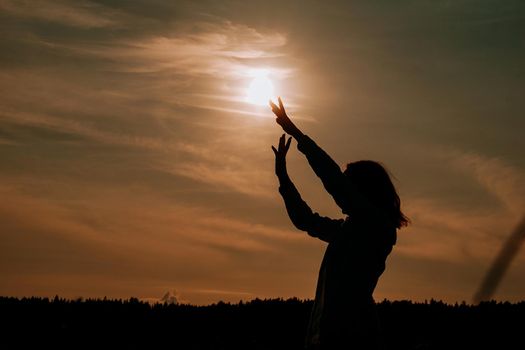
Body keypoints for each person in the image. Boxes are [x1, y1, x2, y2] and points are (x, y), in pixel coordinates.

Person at [270, 97, 408, 350]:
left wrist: (297, 133)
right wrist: (283, 179)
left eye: (350, 184)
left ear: (363, 189)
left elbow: (333, 180)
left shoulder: (376, 226)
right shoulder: (350, 228)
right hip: (327, 336)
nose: (344, 195)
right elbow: (306, 220)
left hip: (352, 339)